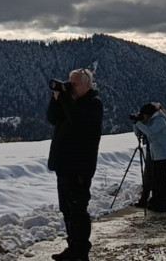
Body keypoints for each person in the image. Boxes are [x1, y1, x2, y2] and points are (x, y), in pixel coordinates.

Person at [47, 69, 103, 261]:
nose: (70, 87)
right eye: (69, 83)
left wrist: (65, 99)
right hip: (63, 164)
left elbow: (78, 124)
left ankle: (81, 251)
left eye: (75, 84)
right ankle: (72, 247)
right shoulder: (70, 102)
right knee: (67, 210)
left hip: (79, 167)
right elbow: (52, 119)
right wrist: (56, 99)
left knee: (78, 210)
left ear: (88, 85)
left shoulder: (94, 104)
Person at [132, 102, 166, 212]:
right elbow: (140, 133)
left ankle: (163, 204)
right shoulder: (152, 121)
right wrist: (136, 123)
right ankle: (157, 201)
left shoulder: (159, 120)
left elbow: (149, 132)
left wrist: (138, 122)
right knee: (156, 179)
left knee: (161, 180)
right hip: (157, 154)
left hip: (163, 155)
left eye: (144, 115)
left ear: (148, 113)